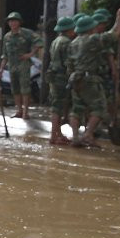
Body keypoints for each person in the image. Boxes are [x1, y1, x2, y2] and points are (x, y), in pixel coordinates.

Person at [67, 8, 120, 147]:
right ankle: (88, 134)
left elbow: (69, 64)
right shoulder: (92, 39)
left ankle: (75, 137)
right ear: (90, 28)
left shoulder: (73, 43)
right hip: (89, 79)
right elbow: (115, 34)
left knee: (76, 109)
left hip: (75, 78)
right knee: (99, 108)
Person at [0, 11, 43, 119]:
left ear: (19, 22)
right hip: (12, 65)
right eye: (10, 21)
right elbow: (5, 54)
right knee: (15, 88)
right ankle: (19, 110)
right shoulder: (7, 37)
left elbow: (39, 42)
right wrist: (1, 68)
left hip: (23, 64)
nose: (12, 23)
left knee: (25, 89)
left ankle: (25, 112)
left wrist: (30, 54)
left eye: (14, 21)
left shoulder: (26, 33)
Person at [46, 17, 76, 145]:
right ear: (69, 30)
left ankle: (58, 134)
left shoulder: (55, 41)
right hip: (61, 77)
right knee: (57, 107)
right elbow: (69, 63)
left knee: (56, 105)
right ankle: (54, 136)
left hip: (53, 76)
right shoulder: (67, 43)